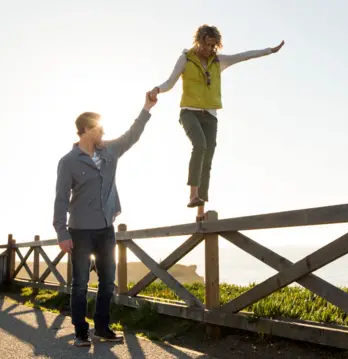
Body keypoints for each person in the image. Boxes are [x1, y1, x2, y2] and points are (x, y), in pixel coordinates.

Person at [52, 91, 157, 347]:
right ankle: (80, 331)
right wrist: (62, 233)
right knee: (79, 285)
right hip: (79, 232)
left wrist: (146, 107)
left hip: (105, 230)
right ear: (86, 130)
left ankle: (101, 328)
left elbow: (132, 135)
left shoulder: (110, 151)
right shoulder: (68, 162)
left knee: (108, 282)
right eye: (98, 129)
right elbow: (61, 199)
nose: (103, 133)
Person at [149, 24, 285, 221]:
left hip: (210, 116)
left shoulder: (219, 61)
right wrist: (157, 90)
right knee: (199, 145)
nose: (209, 49)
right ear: (198, 41)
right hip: (189, 113)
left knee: (208, 159)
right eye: (206, 45)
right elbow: (170, 82)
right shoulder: (186, 59)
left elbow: (244, 55)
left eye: (213, 46)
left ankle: (200, 211)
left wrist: (269, 51)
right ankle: (192, 194)